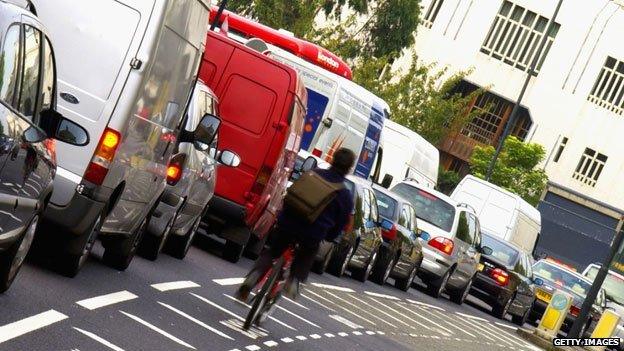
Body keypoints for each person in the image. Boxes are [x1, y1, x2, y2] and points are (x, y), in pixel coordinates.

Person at [236, 148, 356, 300]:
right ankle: (294, 280)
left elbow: (291, 194)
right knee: (307, 254)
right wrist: (331, 236)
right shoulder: (344, 195)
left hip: (288, 222)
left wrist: (284, 215)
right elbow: (339, 224)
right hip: (313, 233)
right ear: (349, 168)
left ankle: (254, 275)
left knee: (274, 251)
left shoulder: (312, 174)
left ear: (333, 159)